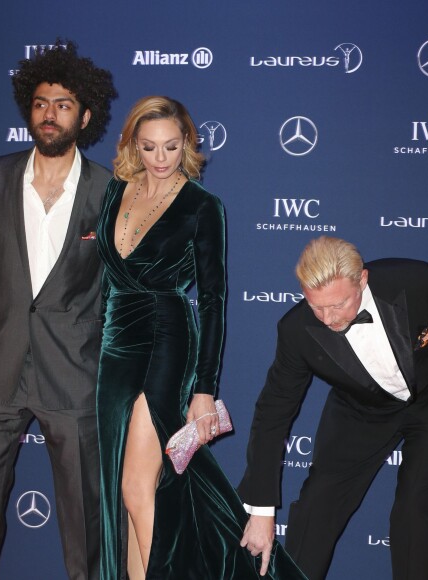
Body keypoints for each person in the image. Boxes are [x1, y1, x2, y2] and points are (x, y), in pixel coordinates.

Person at [95, 96, 307, 579]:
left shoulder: (202, 206)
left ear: (187, 144)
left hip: (165, 340)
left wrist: (204, 388)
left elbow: (213, 299)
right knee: (122, 493)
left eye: (172, 146)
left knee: (136, 486)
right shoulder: (114, 192)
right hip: (114, 341)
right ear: (133, 145)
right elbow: (107, 279)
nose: (162, 158)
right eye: (149, 147)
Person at [0, 41, 116, 580]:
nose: (50, 113)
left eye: (63, 104)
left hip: (74, 371)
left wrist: (114, 370)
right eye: (41, 103)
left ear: (84, 115)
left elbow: (117, 289)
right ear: (29, 110)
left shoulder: (109, 191)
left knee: (83, 516)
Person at [238, 236, 428, 580]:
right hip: (361, 411)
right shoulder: (296, 330)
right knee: (317, 506)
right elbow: (273, 412)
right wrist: (260, 509)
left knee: (414, 508)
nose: (328, 318)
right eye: (316, 306)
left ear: (362, 280)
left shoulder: (417, 280)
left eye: (338, 304)